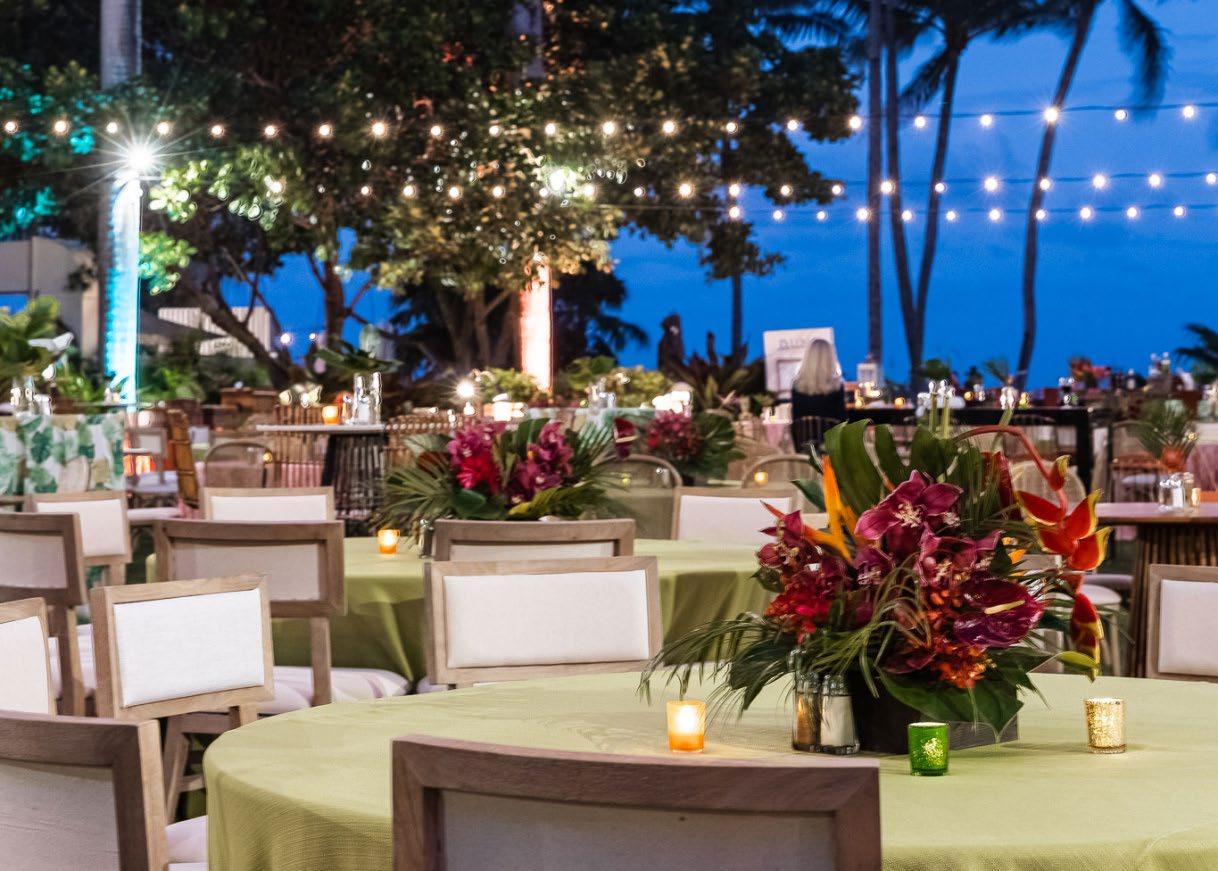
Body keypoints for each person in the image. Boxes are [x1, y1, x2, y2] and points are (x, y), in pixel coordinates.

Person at [789, 339, 847, 447]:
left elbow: (795, 420)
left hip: (803, 447)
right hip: (831, 448)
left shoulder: (796, 385)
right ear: (830, 358)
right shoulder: (837, 386)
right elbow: (843, 421)